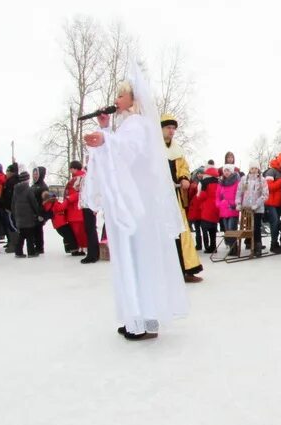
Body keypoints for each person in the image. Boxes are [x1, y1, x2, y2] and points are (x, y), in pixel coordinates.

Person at [82, 69, 188, 340]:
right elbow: (121, 150)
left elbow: (126, 152)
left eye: (121, 94)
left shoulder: (138, 124)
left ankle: (145, 316)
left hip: (138, 206)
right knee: (134, 257)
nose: (116, 99)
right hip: (136, 204)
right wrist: (106, 130)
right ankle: (137, 315)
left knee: (140, 257)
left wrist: (106, 138)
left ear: (133, 98)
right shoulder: (129, 125)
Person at [160, 113, 204, 282]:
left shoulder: (177, 151)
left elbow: (184, 168)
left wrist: (184, 179)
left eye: (173, 128)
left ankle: (186, 270)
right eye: (168, 128)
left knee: (180, 232)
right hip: (158, 199)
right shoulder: (153, 148)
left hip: (174, 198)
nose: (171, 131)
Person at [11, 163, 41, 258]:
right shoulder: (28, 190)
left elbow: (13, 203)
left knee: (22, 234)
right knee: (29, 236)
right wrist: (38, 212)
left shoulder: (15, 190)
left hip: (19, 216)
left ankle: (18, 252)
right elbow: (34, 203)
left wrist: (14, 214)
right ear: (27, 179)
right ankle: (31, 252)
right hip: (28, 216)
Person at [262, 153, 281, 254]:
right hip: (270, 202)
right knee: (275, 222)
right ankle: (273, 244)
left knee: (277, 223)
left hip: (279, 203)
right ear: (279, 161)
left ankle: (275, 243)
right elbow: (270, 187)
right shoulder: (271, 171)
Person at [215, 164, 241, 255]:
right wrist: (219, 204)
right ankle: (231, 248)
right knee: (226, 230)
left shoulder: (236, 182)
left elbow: (239, 194)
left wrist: (233, 203)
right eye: (225, 170)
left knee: (231, 229)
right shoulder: (221, 183)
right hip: (223, 210)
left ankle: (234, 248)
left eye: (228, 170)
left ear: (232, 171)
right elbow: (217, 196)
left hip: (232, 209)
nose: (226, 172)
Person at [64, 161, 88, 257]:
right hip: (72, 209)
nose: (70, 170)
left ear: (75, 168)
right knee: (76, 231)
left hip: (76, 209)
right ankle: (78, 247)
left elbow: (82, 193)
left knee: (79, 231)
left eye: (71, 168)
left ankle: (82, 247)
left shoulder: (82, 178)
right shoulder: (74, 179)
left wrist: (70, 198)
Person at [197, 167, 221, 253]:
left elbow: (202, 196)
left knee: (204, 228)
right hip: (216, 208)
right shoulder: (219, 182)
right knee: (213, 229)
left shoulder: (204, 182)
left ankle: (207, 247)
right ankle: (213, 246)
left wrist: (198, 197)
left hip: (207, 207)